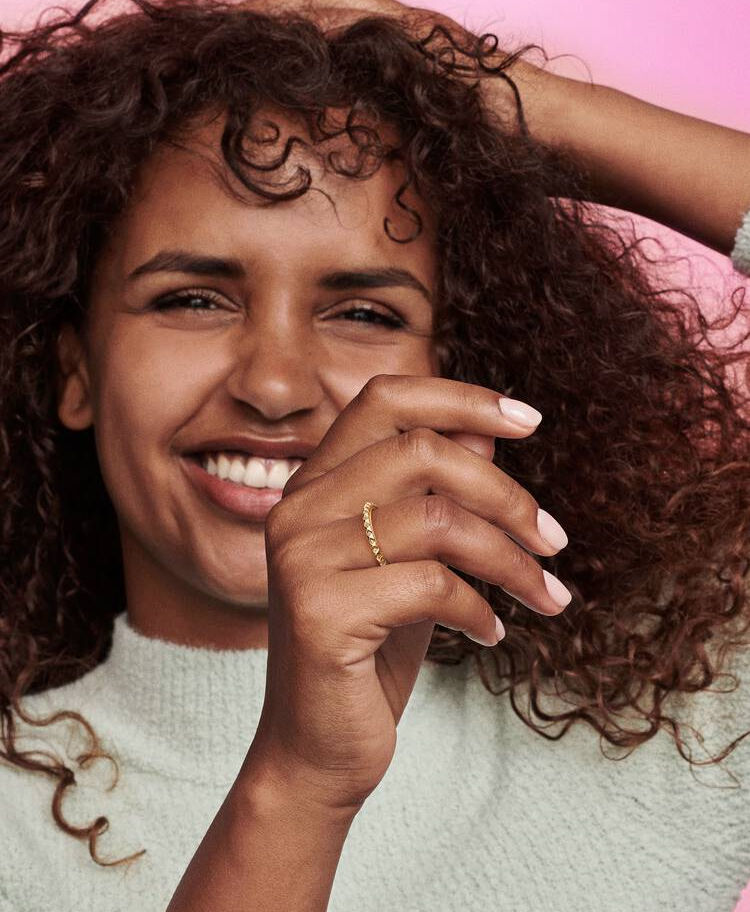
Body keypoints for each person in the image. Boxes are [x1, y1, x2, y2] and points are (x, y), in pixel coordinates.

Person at [0, 0, 749, 909]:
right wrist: (302, 779)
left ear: (452, 375)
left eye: (364, 313)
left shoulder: (675, 713)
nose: (274, 385)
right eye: (193, 299)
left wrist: (524, 105)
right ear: (75, 369)